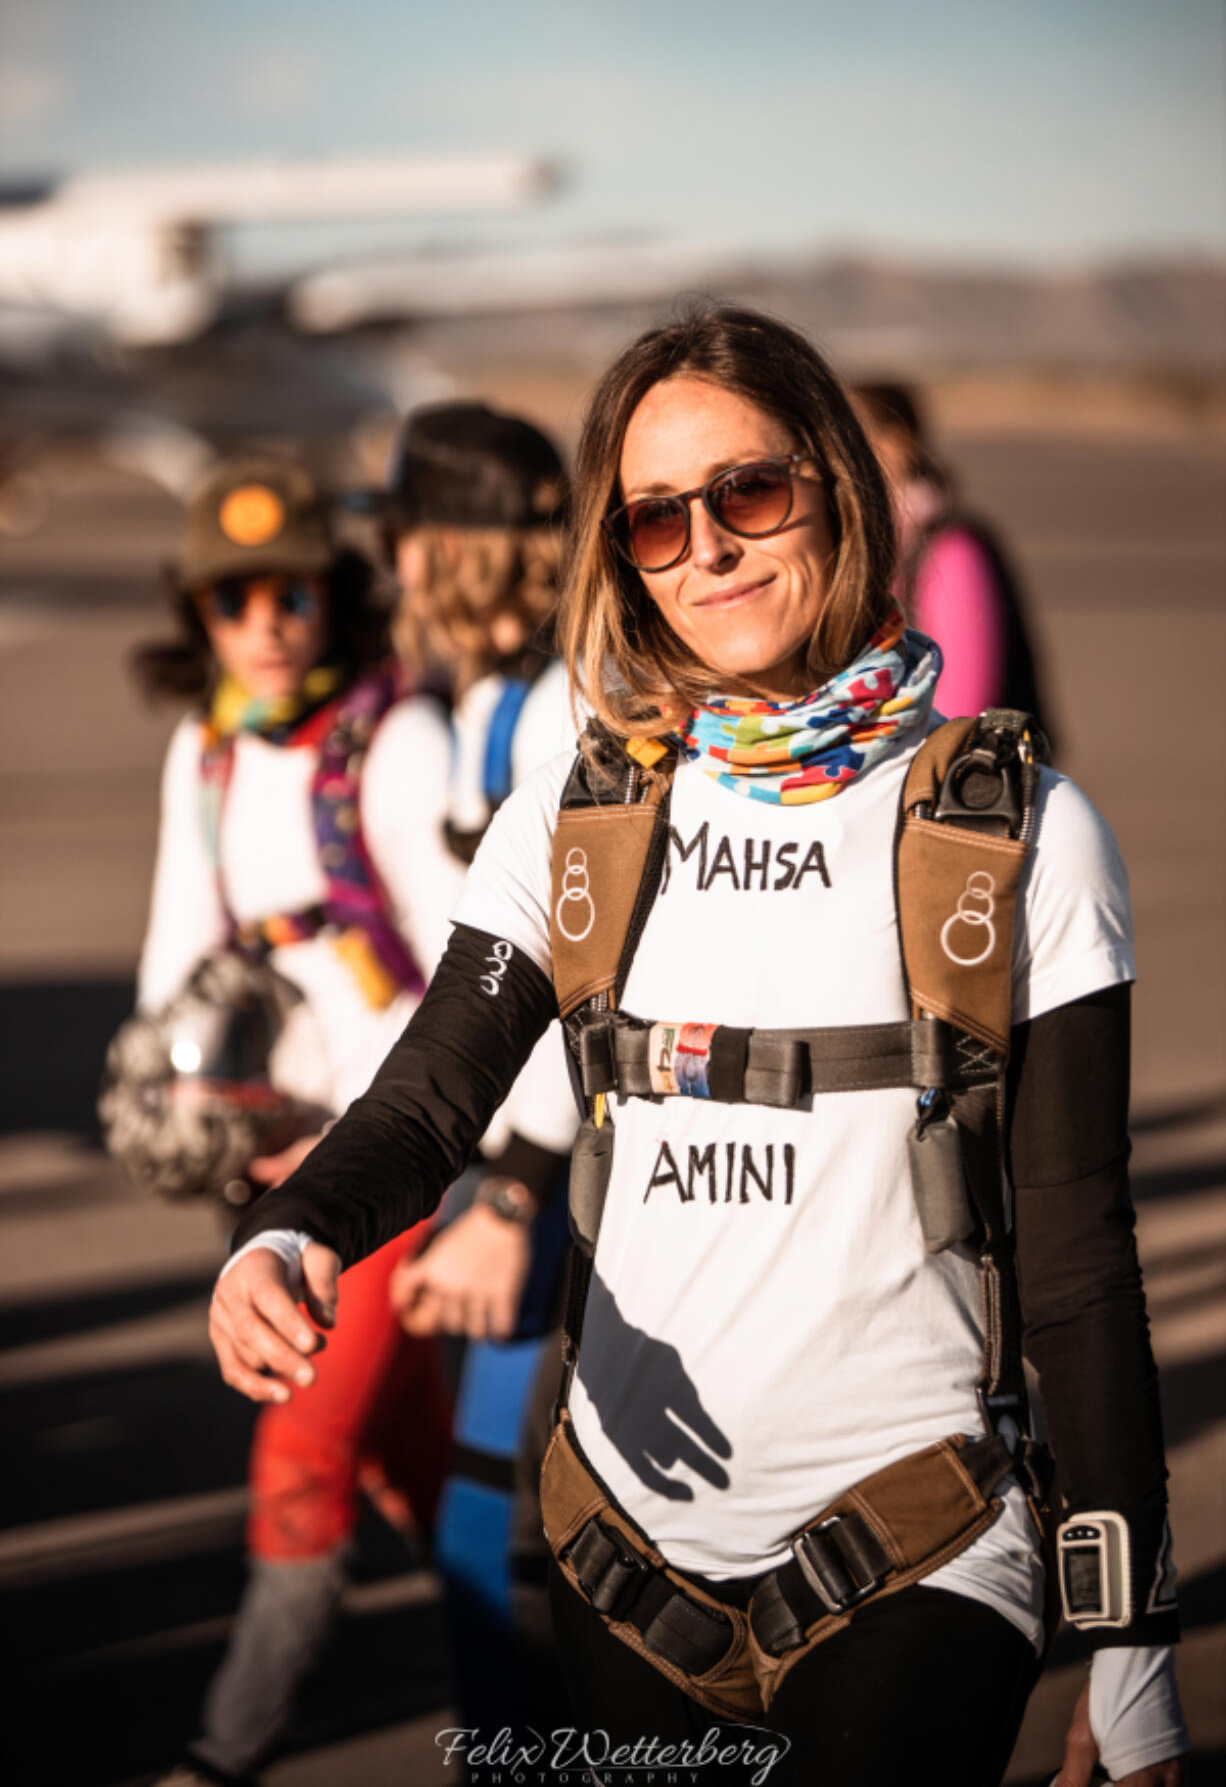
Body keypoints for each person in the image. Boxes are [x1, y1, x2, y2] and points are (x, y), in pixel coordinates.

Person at [206, 310, 1187, 1787]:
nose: (706, 550)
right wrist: (287, 1233)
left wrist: (1130, 1642)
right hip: (621, 1570)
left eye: (746, 492)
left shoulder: (1015, 829)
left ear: (835, 489)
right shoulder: (575, 816)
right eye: (653, 519)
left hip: (916, 1548)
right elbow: (426, 1099)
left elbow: (1077, 1257)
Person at [134, 455, 459, 1787]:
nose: (264, 621)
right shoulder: (205, 748)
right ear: (198, 616)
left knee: (303, 1444)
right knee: (417, 1461)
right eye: (232, 598)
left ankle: (227, 1751)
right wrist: (168, 1085)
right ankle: (568, 1679)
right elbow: (176, 940)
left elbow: (461, 978)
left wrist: (378, 1156)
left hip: (388, 1160)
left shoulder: (397, 736)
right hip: (262, 1165)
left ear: (337, 594)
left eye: (292, 591)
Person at [380, 400, 579, 1733]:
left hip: (556, 1169)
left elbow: (578, 969)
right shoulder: (478, 702)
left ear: (440, 549)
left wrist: (510, 1193)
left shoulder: (559, 709)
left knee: (497, 1526)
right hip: (511, 1160)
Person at [855, 378, 1052, 736]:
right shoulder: (865, 546)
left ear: (898, 443)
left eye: (852, 438)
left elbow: (964, 711)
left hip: (942, 774)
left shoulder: (952, 549)